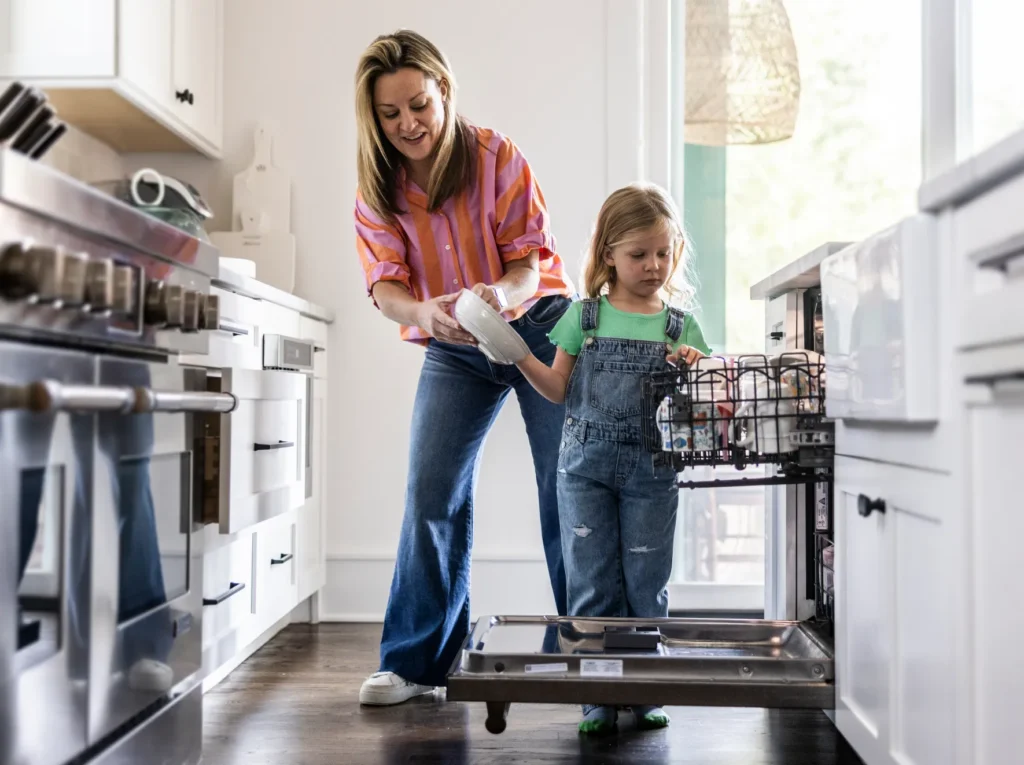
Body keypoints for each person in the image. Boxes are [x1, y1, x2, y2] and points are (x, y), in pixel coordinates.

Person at [352, 30, 575, 706]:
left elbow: (530, 261)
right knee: (431, 489)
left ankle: (596, 651)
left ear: (443, 91)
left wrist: (499, 297)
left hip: (536, 325)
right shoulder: (378, 189)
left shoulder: (495, 156)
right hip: (454, 342)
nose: (408, 124)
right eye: (390, 115)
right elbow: (384, 287)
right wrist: (424, 312)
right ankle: (417, 666)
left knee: (567, 488)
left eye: (418, 104)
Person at [515, 183, 711, 736]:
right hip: (583, 474)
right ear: (608, 254)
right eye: (638, 254)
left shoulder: (682, 327)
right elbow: (556, 389)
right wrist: (520, 357)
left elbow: (702, 406)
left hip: (653, 474)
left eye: (663, 253)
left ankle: (643, 688)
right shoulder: (585, 317)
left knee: (646, 583)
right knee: (593, 585)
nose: (653, 266)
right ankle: (595, 695)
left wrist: (693, 369)